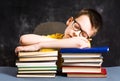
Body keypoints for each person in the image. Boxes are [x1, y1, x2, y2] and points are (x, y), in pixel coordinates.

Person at [15, 8, 102, 53]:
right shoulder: (56, 37)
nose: (76, 34)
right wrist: (59, 42)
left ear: (88, 39)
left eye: (83, 34)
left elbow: (79, 43)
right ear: (70, 21)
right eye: (77, 27)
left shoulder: (85, 44)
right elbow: (24, 39)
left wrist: (39, 45)